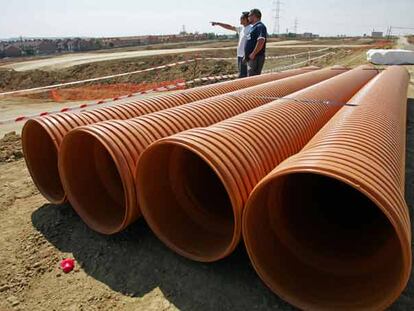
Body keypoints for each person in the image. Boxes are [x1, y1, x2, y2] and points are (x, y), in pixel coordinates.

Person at [211, 12, 252, 78]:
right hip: (240, 55)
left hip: (246, 56)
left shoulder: (251, 28)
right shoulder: (241, 29)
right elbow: (230, 27)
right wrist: (218, 23)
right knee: (242, 74)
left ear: (246, 19)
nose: (240, 20)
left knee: (245, 75)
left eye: (241, 18)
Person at [244, 9, 268, 76]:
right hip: (252, 58)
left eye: (249, 16)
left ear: (254, 16)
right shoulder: (254, 27)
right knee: (250, 77)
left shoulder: (260, 26)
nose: (248, 18)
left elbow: (261, 40)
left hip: (256, 58)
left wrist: (253, 54)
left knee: (252, 78)